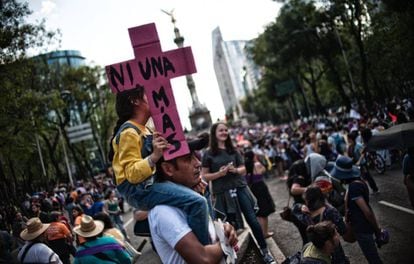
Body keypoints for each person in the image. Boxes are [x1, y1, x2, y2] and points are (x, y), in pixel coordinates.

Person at [108, 86, 210, 245]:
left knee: (202, 188)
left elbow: (169, 150)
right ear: (135, 100)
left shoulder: (147, 128)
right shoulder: (129, 132)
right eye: (147, 93)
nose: (153, 96)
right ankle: (204, 251)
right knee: (197, 202)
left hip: (150, 183)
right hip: (138, 189)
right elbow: (132, 174)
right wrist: (154, 156)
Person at [149, 137, 238, 264]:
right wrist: (226, 242)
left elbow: (209, 237)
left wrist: (224, 230)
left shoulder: (194, 196)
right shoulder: (163, 211)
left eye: (195, 157)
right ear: (168, 169)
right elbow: (203, 259)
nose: (198, 163)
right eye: (188, 159)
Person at [202, 122, 275, 264]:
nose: (224, 132)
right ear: (214, 134)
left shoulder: (233, 149)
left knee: (252, 220)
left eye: (225, 130)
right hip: (222, 193)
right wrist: (220, 173)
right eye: (220, 130)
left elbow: (244, 169)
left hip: (240, 187)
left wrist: (235, 170)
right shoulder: (208, 154)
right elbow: (205, 176)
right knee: (229, 226)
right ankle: (232, 257)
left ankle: (265, 252)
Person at [331, 156, 384, 264]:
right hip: (363, 226)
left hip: (362, 228)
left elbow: (367, 211)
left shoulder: (354, 187)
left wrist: (377, 230)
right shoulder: (358, 182)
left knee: (373, 259)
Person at [299, 187, 349, 264]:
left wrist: (301, 207)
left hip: (319, 252)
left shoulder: (305, 215)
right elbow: (343, 230)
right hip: (335, 252)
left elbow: (295, 209)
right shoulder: (330, 211)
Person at [244, 149, 276, 238]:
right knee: (264, 212)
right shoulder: (257, 164)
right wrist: (257, 160)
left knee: (258, 212)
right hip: (260, 188)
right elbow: (264, 169)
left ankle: (261, 232)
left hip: (252, 189)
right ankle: (265, 233)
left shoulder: (245, 167)